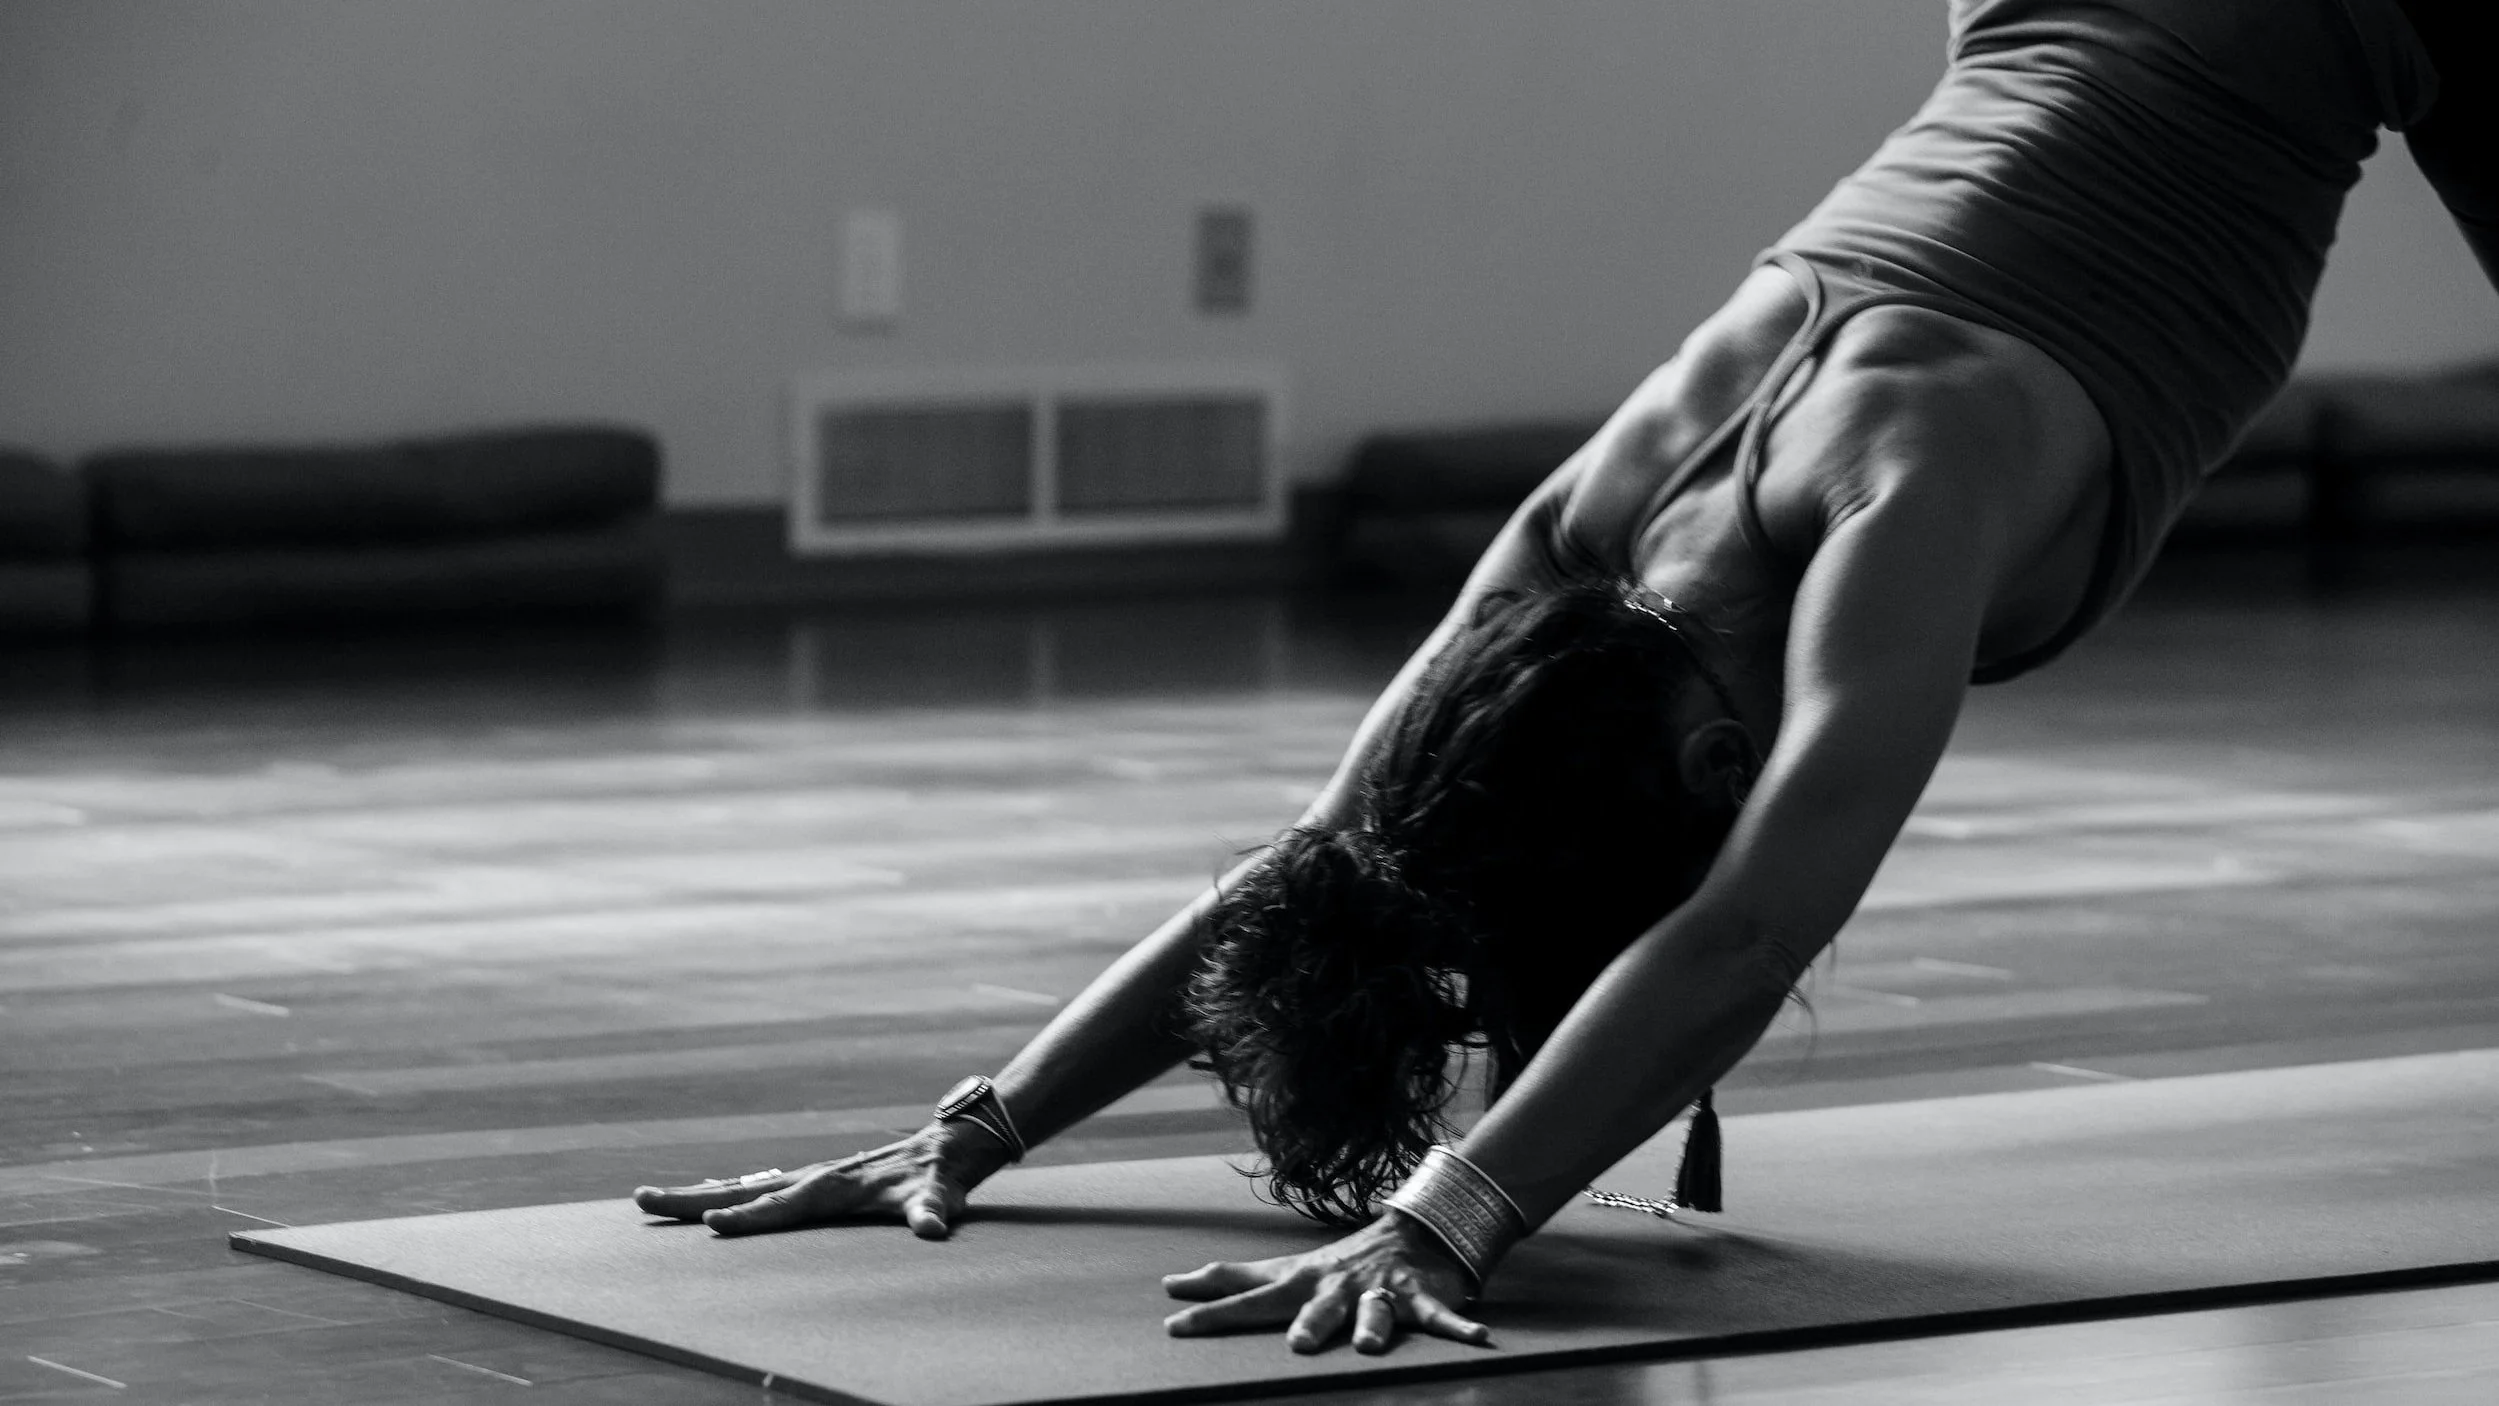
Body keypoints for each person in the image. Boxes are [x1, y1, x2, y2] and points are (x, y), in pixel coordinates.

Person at [637, 0, 2493, 1356]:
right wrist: (980, 1122)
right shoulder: (1575, 548)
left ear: (1706, 759)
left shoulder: (1892, 500)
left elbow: (1744, 933)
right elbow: (1325, 861)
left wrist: (1451, 1219)